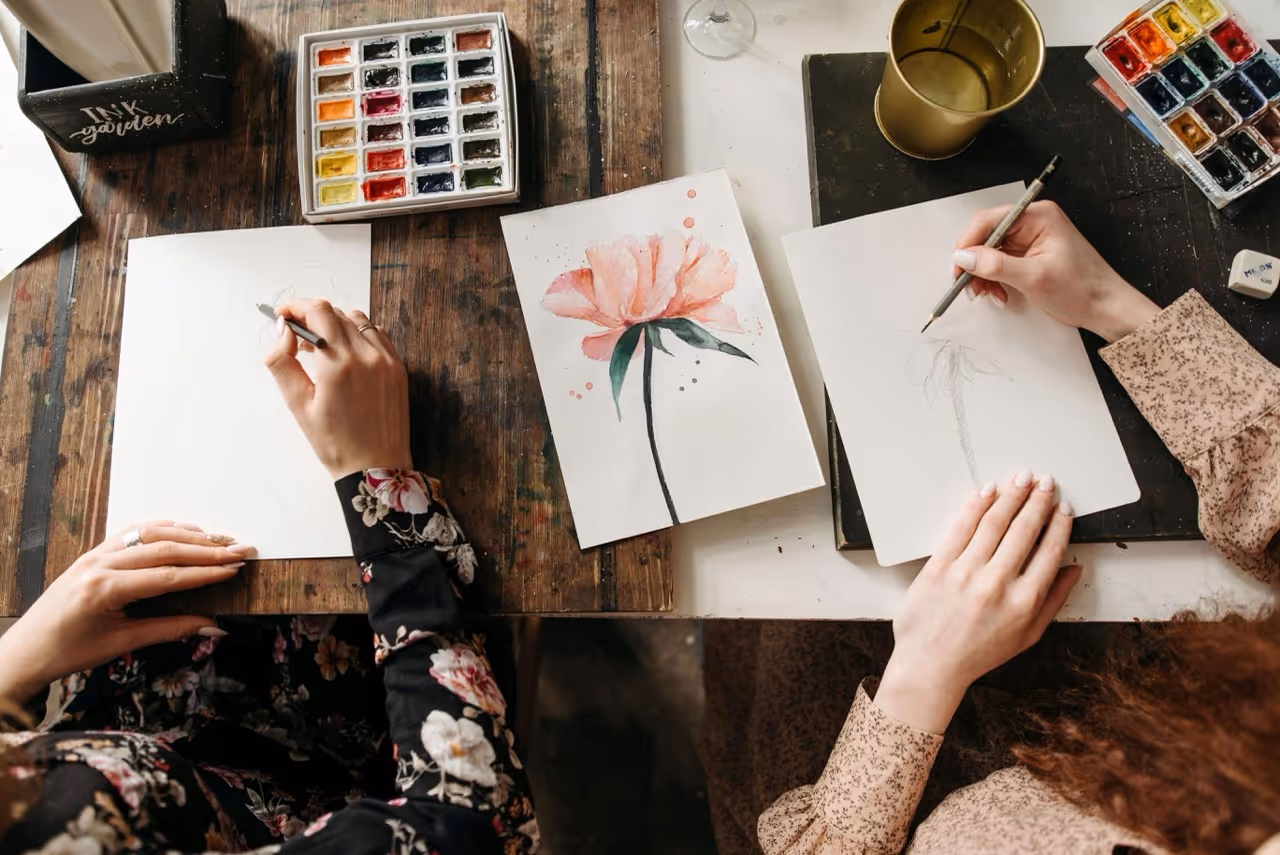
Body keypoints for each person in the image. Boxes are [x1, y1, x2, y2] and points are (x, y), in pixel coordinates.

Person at [702, 202, 1280, 855]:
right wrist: (1107, 301)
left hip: (900, 795)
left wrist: (924, 672)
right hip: (1138, 707)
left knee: (775, 628)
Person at [0, 303, 539, 854]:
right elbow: (479, 826)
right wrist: (382, 485)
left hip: (131, 685)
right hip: (331, 756)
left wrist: (12, 667)